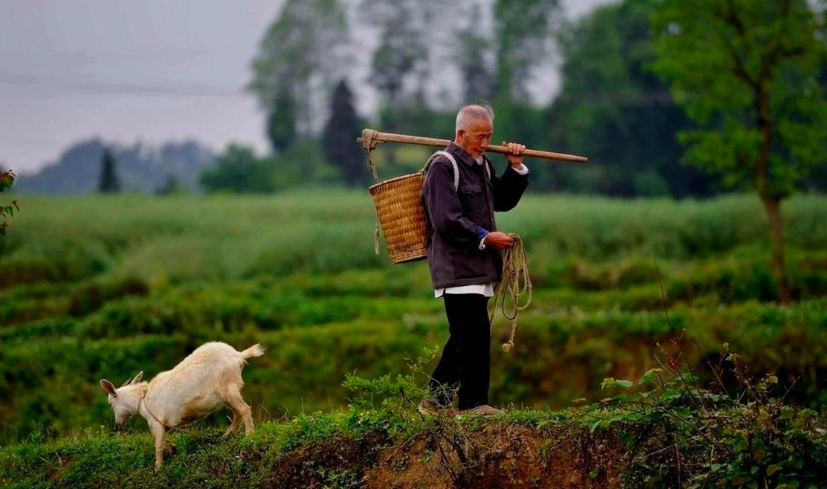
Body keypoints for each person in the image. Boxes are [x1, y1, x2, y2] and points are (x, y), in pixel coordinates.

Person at [419, 103, 529, 416]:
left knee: (468, 336)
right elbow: (446, 219)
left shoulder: (482, 164)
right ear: (461, 134)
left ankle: (446, 403)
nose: (484, 143)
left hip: (479, 267)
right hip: (455, 266)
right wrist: (485, 236)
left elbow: (503, 201)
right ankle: (467, 403)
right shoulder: (443, 166)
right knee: (472, 334)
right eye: (479, 137)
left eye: (489, 136)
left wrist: (516, 167)